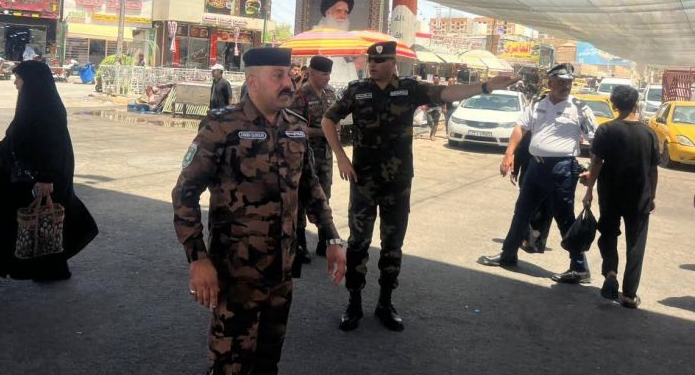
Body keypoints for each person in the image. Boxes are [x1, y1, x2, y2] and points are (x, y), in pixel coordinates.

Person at [172, 46, 346, 375]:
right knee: (229, 366)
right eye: (278, 76)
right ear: (252, 81)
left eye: (288, 76)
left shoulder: (295, 127)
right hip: (236, 275)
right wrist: (197, 258)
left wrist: (332, 238)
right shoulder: (222, 126)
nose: (288, 84)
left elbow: (311, 189)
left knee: (268, 363)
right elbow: (185, 193)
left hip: (281, 274)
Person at [322, 41, 518, 332]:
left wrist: (486, 86)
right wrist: (341, 156)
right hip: (363, 182)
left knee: (393, 246)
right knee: (358, 244)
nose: (373, 64)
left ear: (394, 63)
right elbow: (329, 119)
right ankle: (354, 303)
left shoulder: (409, 88)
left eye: (380, 60)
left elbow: (447, 93)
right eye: (370, 60)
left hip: (398, 183)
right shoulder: (357, 90)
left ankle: (385, 303)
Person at [0, 61, 98, 292]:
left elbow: (55, 146)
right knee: (23, 223)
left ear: (32, 81)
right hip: (17, 177)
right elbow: (14, 137)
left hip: (34, 179)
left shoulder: (48, 107)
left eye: (18, 79)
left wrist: (47, 178)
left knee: (28, 223)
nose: (15, 83)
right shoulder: (30, 103)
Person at [479, 63, 597, 284]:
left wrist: (592, 169)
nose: (565, 86)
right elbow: (520, 128)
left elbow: (595, 141)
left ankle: (580, 267)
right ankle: (508, 255)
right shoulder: (536, 103)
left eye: (568, 83)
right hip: (536, 167)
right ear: (549, 83)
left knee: (565, 218)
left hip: (562, 169)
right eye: (560, 82)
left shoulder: (580, 108)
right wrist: (509, 154)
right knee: (522, 212)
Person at [580, 85, 659, 309]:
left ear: (614, 105)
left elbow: (596, 162)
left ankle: (610, 273)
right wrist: (652, 196)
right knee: (636, 244)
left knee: (608, 234)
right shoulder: (649, 133)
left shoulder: (606, 130)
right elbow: (653, 169)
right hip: (639, 197)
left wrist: (589, 190)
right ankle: (629, 295)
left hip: (610, 194)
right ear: (636, 104)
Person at [290, 56, 337, 263]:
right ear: (311, 72)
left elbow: (336, 121)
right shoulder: (300, 96)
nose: (328, 78)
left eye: (329, 74)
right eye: (324, 74)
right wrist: (324, 132)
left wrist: (334, 130)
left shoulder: (330, 94)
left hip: (325, 157)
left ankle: (323, 241)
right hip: (304, 156)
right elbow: (297, 129)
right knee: (300, 199)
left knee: (324, 198)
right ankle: (299, 244)